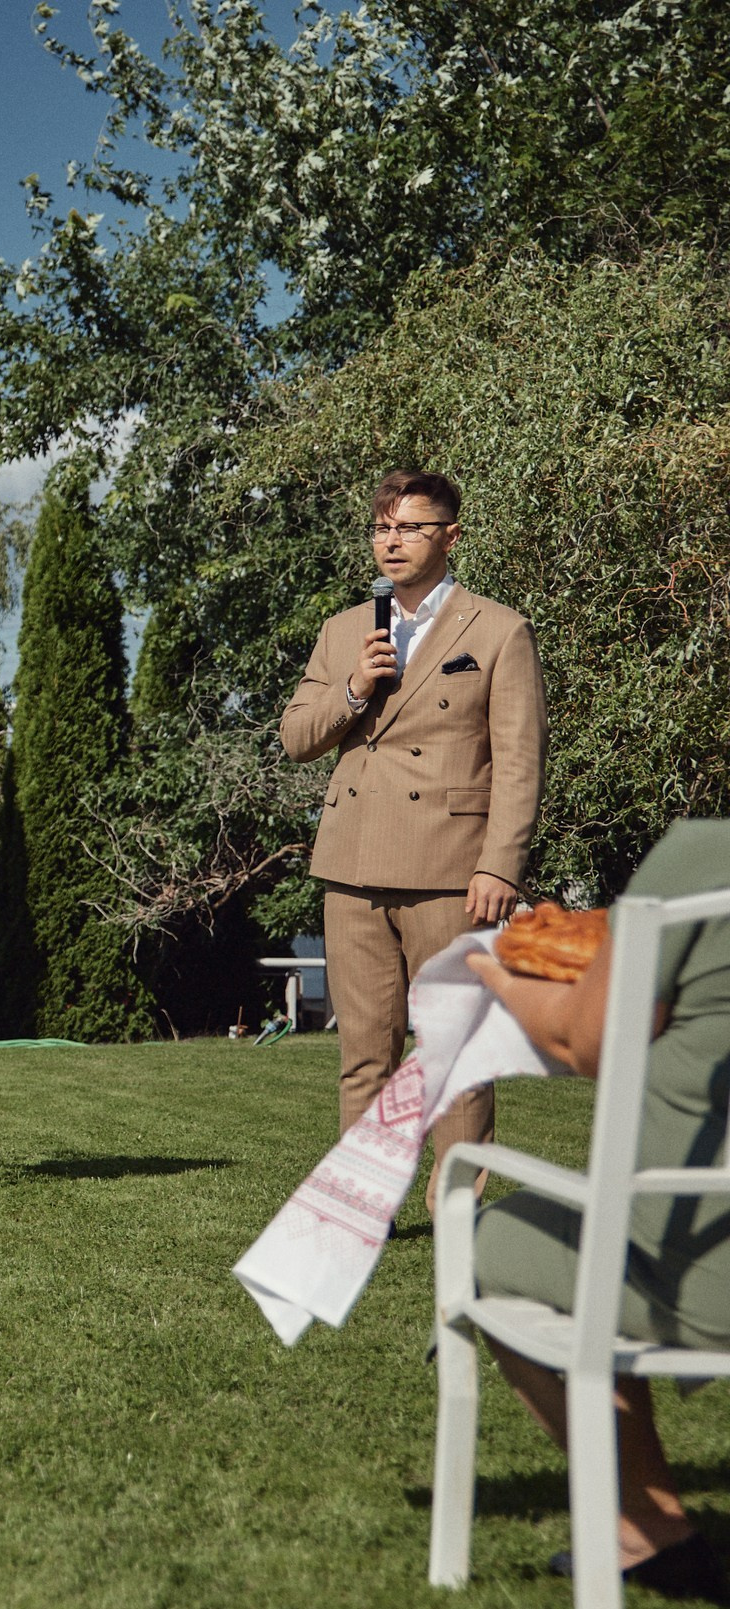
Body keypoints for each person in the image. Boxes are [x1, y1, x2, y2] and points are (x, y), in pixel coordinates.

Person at [462, 819, 730, 1602]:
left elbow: (585, 1040)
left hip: (696, 1271)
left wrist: (493, 975)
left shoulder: (700, 858)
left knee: (482, 1237)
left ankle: (647, 1525)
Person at [280, 469, 545, 1212]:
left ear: (450, 536)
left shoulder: (498, 630)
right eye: (382, 528)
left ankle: (455, 1205)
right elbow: (296, 737)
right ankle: (361, 1207)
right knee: (364, 1053)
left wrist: (501, 865)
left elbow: (519, 762)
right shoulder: (344, 630)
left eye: (410, 528)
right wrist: (354, 688)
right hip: (353, 864)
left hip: (452, 870)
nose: (391, 542)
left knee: (453, 1049)